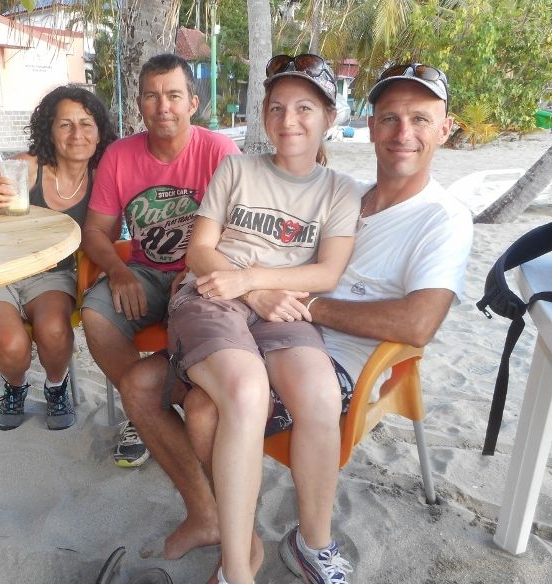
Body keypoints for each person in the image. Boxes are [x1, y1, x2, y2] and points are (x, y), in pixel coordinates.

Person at [124, 62, 473, 584]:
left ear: (444, 129)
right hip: (262, 315)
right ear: (370, 124)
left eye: (420, 119)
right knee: (153, 386)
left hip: (314, 335)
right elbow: (210, 248)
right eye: (390, 118)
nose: (403, 132)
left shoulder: (436, 216)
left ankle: (302, 543)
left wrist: (265, 290)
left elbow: (416, 323)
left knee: (211, 408)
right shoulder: (355, 194)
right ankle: (232, 543)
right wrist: (243, 286)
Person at [167, 54, 359, 584]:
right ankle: (237, 570)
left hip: (280, 303)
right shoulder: (237, 169)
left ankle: (313, 544)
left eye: (304, 108)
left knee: (320, 395)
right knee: (246, 392)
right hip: (213, 293)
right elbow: (199, 251)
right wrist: (249, 290)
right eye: (276, 108)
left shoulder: (339, 190)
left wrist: (255, 283)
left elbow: (327, 272)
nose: (288, 120)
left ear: (328, 117)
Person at [80, 53, 240, 467]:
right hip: (144, 271)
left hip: (206, 272)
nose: (162, 106)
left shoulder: (220, 151)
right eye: (151, 96)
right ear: (139, 105)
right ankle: (145, 413)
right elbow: (95, 231)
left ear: (193, 103)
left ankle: (170, 403)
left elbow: (239, 233)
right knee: (96, 314)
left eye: (173, 95)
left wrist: (191, 275)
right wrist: (117, 271)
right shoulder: (119, 156)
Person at [0, 85, 116, 431]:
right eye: (65, 124)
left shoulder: (102, 178)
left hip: (53, 274)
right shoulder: (27, 168)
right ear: (49, 131)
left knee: (54, 332)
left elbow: (108, 236)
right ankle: (15, 387)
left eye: (86, 124)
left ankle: (56, 387)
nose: (77, 134)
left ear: (100, 132)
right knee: (12, 344)